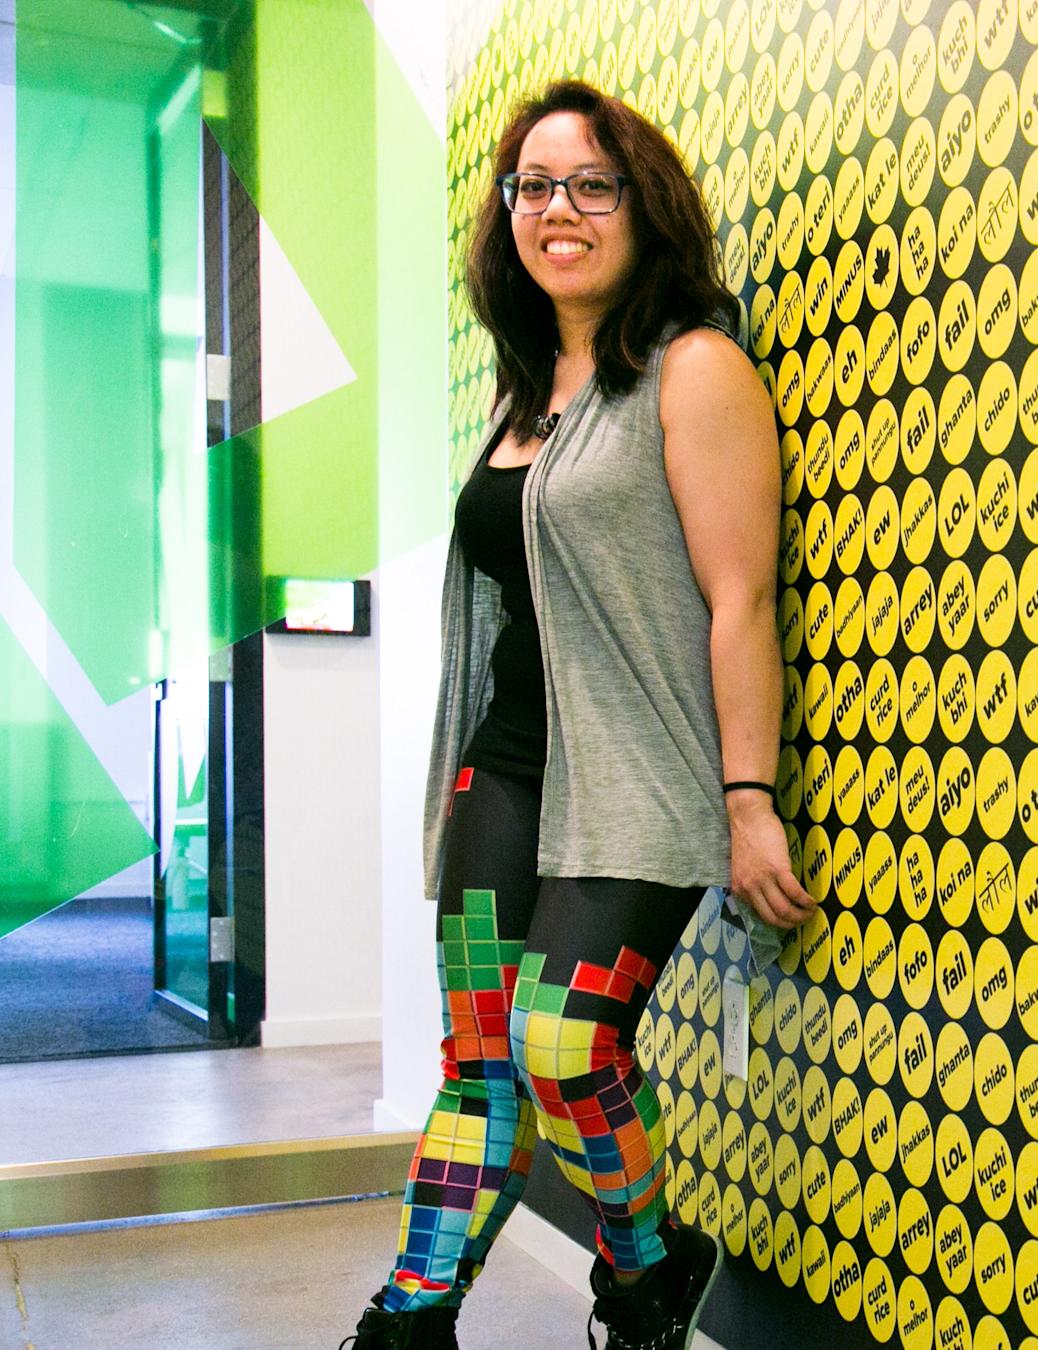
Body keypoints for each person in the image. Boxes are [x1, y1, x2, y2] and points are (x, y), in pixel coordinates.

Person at [343, 80, 815, 1350]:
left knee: (563, 1042)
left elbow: (740, 598)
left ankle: (647, 1264)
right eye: (533, 187)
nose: (559, 208)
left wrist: (750, 798)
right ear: (509, 218)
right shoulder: (524, 388)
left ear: (641, 207)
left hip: (636, 780)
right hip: (500, 776)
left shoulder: (693, 369)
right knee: (481, 1062)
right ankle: (410, 1317)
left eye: (590, 184)